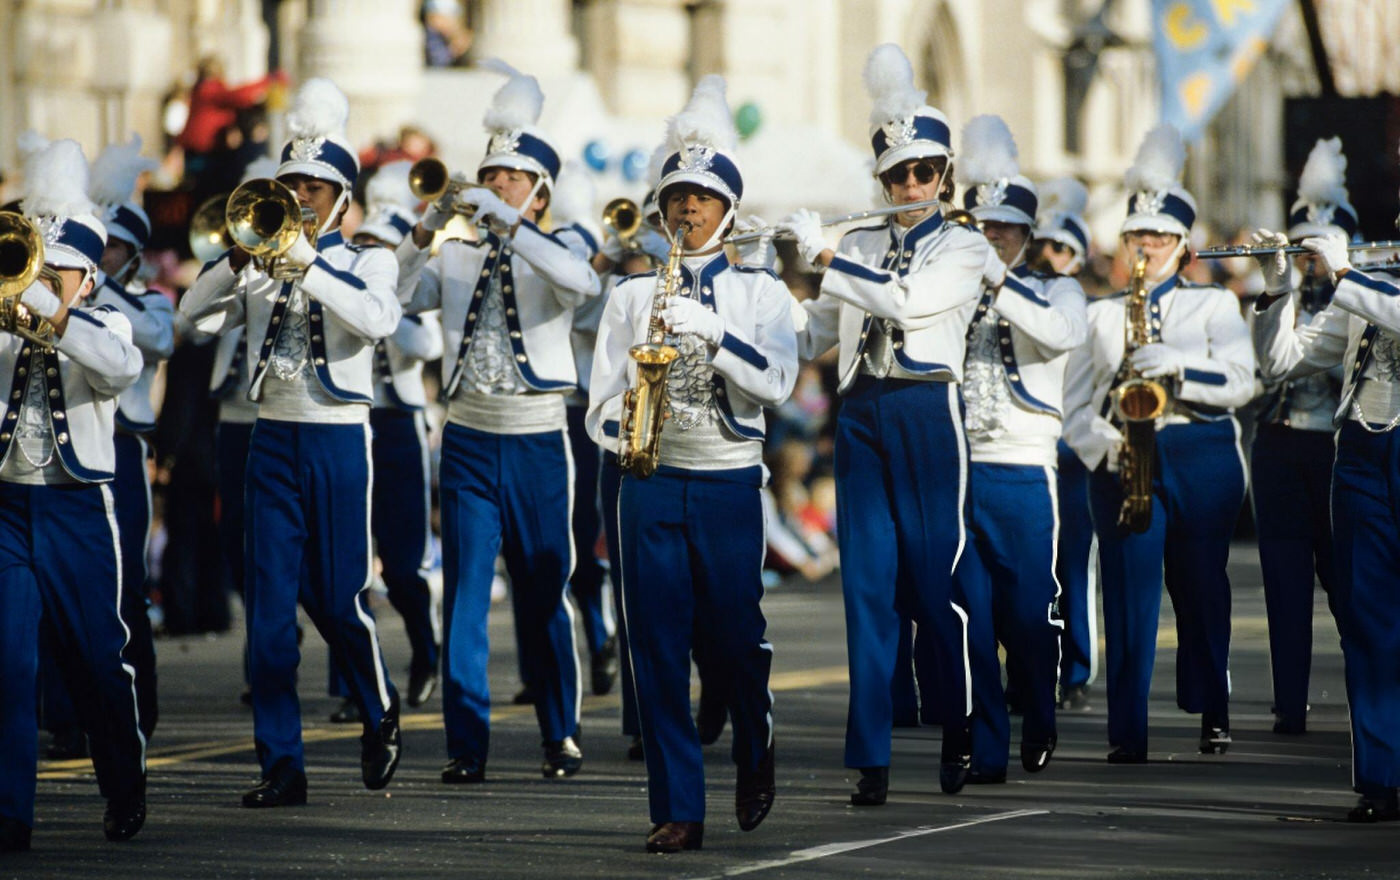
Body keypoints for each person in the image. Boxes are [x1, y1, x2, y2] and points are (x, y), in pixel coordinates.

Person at [179, 78, 404, 807]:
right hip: (270, 440)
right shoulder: (261, 266)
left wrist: (309, 264)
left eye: (316, 185)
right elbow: (189, 315)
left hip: (338, 442)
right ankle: (281, 762)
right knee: (269, 616)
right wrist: (238, 262)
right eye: (293, 183)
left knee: (338, 601)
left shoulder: (368, 258)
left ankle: (379, 709)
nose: (303, 196)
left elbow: (375, 320)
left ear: (342, 197)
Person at [588, 75, 793, 853]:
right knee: (656, 645)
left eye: (703, 198)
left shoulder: (762, 293)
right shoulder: (629, 293)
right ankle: (679, 806)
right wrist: (625, 431)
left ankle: (755, 736)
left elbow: (776, 381)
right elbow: (599, 398)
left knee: (735, 635)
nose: (687, 209)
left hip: (728, 478)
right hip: (648, 479)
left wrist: (711, 330)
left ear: (728, 210)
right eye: (676, 195)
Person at [779, 43, 988, 805]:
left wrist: (829, 257)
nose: (910, 184)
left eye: (923, 171)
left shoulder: (966, 247)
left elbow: (905, 303)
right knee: (865, 586)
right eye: (897, 173)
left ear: (944, 175)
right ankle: (870, 755)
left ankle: (959, 724)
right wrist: (743, 304)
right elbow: (815, 336)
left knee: (937, 586)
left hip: (928, 411)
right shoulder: (862, 244)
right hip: (863, 412)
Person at [394, 61, 598, 784]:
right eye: (493, 174)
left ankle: (559, 731)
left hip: (539, 436)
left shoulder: (559, 245)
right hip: (470, 438)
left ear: (539, 190)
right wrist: (423, 227)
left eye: (512, 177)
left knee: (546, 592)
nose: (497, 185)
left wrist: (514, 225)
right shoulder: (455, 251)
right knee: (469, 596)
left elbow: (583, 284)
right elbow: (393, 299)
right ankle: (466, 741)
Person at [1062, 124, 1254, 763]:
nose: (1147, 247)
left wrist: (1178, 365)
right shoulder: (1099, 314)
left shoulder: (1214, 309)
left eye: (1161, 238)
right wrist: (1100, 447)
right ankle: (1128, 733)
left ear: (1184, 247)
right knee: (1126, 593)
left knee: (1201, 587)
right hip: (1127, 455)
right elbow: (1075, 404)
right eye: (1138, 236)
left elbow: (1239, 383)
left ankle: (1213, 710)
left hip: (1199, 452)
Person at [0, 139, 147, 851]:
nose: (38, 281)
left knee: (94, 657)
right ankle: (9, 811)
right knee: (8, 662)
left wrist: (51, 319)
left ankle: (124, 783)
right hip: (6, 508)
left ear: (87, 280)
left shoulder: (107, 322)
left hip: (76, 509)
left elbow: (118, 366)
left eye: (57, 272)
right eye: (33, 266)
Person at [1248, 144, 1400, 822]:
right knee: (1369, 621)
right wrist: (1279, 283)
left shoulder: (1370, 286)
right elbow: (1285, 362)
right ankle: (1380, 777)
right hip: (1361, 458)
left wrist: (1341, 270)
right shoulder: (1368, 288)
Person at [954, 115, 1086, 783]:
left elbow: (1059, 334)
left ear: (1027, 236)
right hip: (960, 471)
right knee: (972, 621)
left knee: (1029, 618)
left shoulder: (1056, 288)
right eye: (983, 226)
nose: (992, 236)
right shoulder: (952, 292)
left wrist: (997, 284)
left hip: (1025, 473)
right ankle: (988, 748)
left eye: (1004, 227)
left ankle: (1040, 707)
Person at [321, 160, 443, 721]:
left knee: (400, 562)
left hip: (398, 427)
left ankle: (424, 648)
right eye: (365, 245)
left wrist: (385, 302)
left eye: (383, 248)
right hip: (351, 422)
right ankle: (352, 682)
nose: (374, 256)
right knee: (347, 562)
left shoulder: (408, 291)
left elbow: (424, 343)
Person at [1251, 138, 1351, 737]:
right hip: (1280, 447)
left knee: (1347, 583)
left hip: (1337, 451)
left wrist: (1344, 283)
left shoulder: (1364, 299)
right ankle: (1290, 703)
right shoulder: (1287, 294)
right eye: (1302, 249)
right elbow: (1273, 363)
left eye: (1317, 252)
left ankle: (1370, 688)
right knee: (1283, 584)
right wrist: (1277, 285)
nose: (1308, 261)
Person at [88, 134, 173, 742]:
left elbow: (159, 340)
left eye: (114, 247)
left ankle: (140, 705)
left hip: (122, 449)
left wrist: (93, 281)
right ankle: (67, 714)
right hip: (67, 451)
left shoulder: (150, 301)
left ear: (135, 254)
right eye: (99, 244)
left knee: (126, 588)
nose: (103, 255)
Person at [549, 161, 619, 700]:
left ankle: (603, 636)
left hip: (594, 413)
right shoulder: (551, 266)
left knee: (594, 532)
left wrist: (609, 263)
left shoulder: (612, 277)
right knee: (563, 538)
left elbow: (597, 318)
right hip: (556, 410)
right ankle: (557, 657)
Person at [1030, 177, 1098, 711]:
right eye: (1043, 245)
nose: (1047, 254)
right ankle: (1030, 668)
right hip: (1030, 449)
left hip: (1072, 452)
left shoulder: (1089, 313)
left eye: (1060, 248)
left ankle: (1075, 668)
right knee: (1031, 566)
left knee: (1073, 565)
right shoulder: (1027, 299)